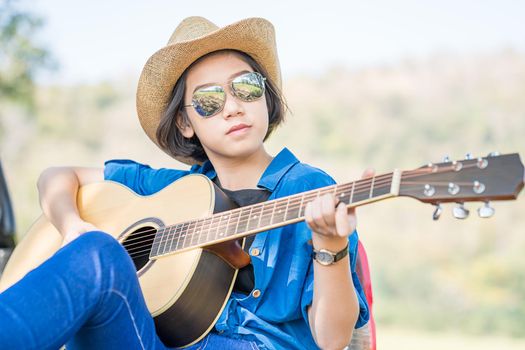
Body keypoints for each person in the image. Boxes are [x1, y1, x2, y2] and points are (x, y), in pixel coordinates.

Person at [0, 17, 370, 349]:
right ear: (185, 123)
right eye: (209, 99)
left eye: (246, 87)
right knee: (98, 251)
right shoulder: (177, 191)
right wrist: (71, 227)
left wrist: (331, 245)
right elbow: (57, 176)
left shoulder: (310, 187)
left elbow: (332, 339)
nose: (232, 106)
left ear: (265, 97)